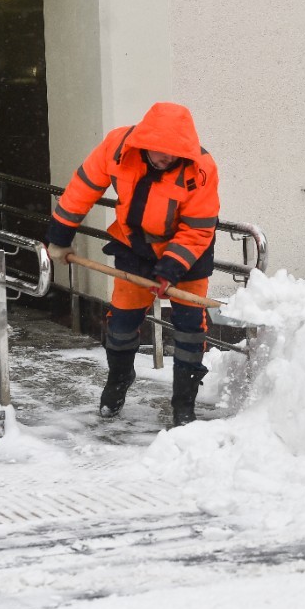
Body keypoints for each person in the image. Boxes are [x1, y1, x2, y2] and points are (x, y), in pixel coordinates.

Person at [45, 102, 220, 428]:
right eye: (160, 152)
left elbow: (197, 229)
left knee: (190, 329)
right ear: (144, 144)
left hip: (188, 253)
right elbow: (81, 189)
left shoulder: (200, 169)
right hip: (135, 246)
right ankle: (119, 378)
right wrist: (59, 235)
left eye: (174, 152)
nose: (167, 158)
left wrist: (170, 270)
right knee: (122, 324)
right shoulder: (117, 148)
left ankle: (184, 403)